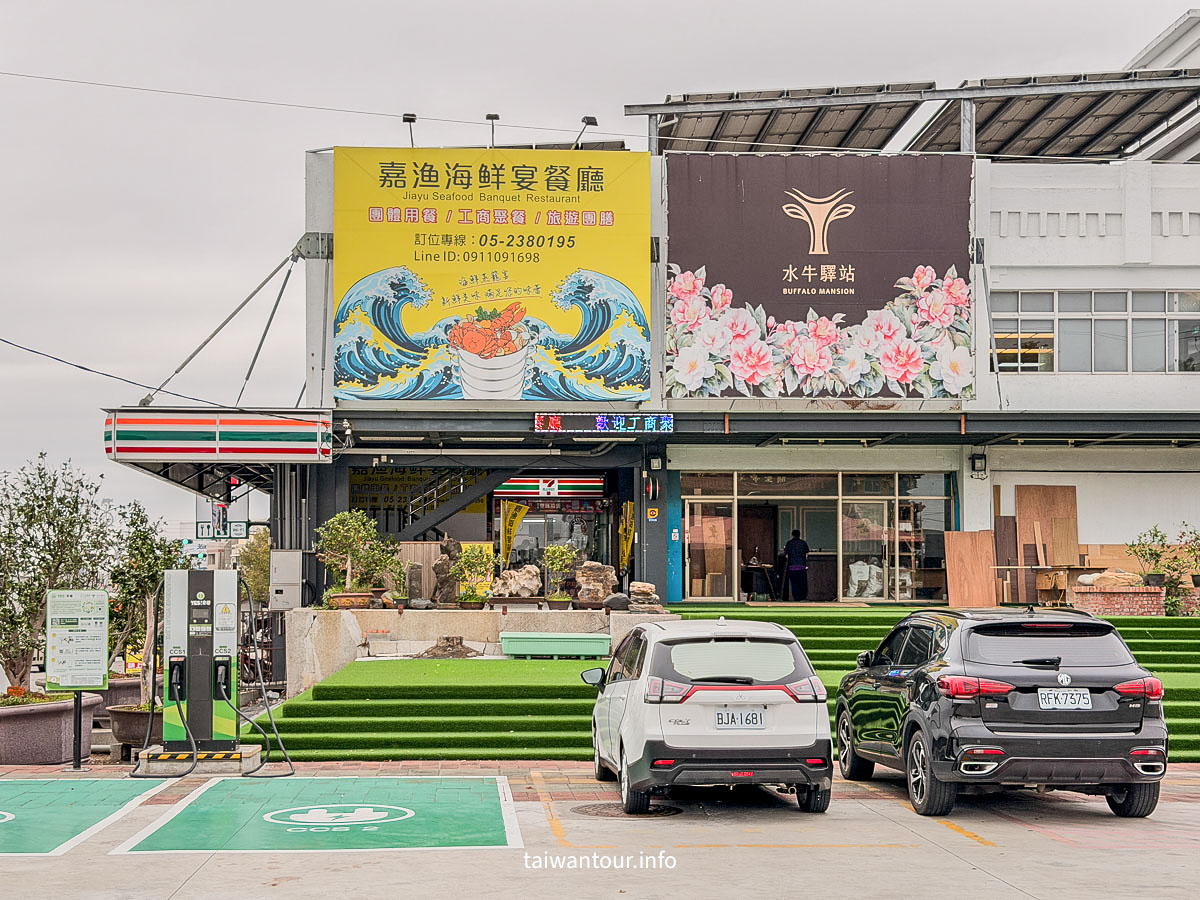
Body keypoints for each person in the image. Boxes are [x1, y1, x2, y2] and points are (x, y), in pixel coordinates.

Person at [783, 529, 810, 602]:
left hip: (792, 566)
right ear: (799, 535)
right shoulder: (803, 543)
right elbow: (806, 555)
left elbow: (786, 556)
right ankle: (803, 597)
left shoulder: (789, 543)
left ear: (792, 535)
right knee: (803, 582)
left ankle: (796, 598)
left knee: (794, 584)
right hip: (801, 566)